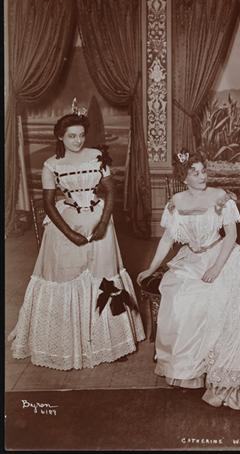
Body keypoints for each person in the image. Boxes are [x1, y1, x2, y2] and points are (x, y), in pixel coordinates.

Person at [9, 102, 145, 370]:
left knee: (105, 277)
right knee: (65, 276)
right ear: (60, 136)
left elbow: (111, 191)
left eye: (81, 135)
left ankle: (112, 343)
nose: (77, 140)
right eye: (72, 136)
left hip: (99, 221)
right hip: (66, 223)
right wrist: (70, 233)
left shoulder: (97, 156)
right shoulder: (51, 165)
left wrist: (104, 223)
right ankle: (65, 344)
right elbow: (48, 203)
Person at [137, 149, 240, 410]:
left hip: (221, 255)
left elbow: (231, 235)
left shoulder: (220, 197)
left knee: (215, 299)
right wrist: (151, 267)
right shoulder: (176, 201)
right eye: (195, 173)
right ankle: (188, 370)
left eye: (204, 171)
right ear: (184, 178)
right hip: (191, 259)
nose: (202, 177)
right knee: (179, 300)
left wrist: (216, 267)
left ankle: (219, 369)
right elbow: (167, 239)